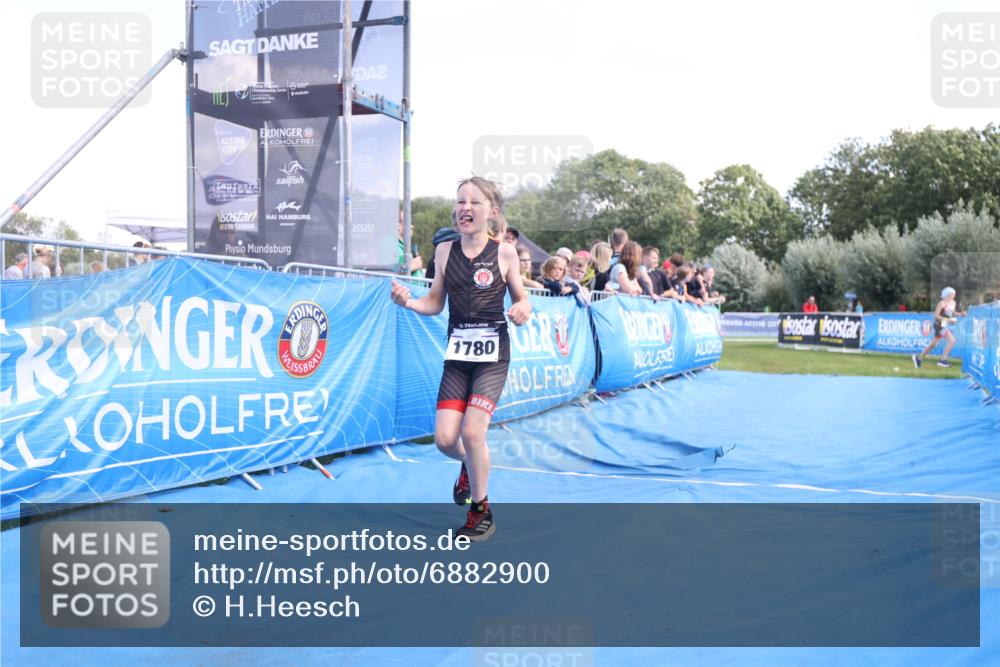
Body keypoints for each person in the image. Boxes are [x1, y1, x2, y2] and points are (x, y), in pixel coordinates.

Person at [389, 177, 531, 541]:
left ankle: (481, 512)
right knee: (445, 439)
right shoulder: (444, 252)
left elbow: (521, 298)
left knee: (472, 432)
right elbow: (435, 302)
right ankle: (472, 466)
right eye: (460, 201)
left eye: (474, 202)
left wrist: (521, 309)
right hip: (457, 356)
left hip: (492, 356)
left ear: (492, 212)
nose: (465, 208)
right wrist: (409, 302)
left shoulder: (504, 253)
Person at [913, 287, 964, 369]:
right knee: (952, 340)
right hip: (939, 325)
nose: (953, 296)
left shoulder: (953, 302)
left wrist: (961, 314)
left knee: (933, 344)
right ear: (947, 295)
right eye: (952, 295)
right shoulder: (942, 303)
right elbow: (936, 315)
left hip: (944, 324)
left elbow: (953, 312)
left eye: (954, 295)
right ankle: (943, 360)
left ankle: (918, 358)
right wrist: (948, 320)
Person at [398, 210, 424, 277]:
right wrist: (412, 266)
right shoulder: (390, 245)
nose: (412, 226)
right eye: (408, 222)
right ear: (397, 225)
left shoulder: (402, 245)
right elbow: (388, 272)